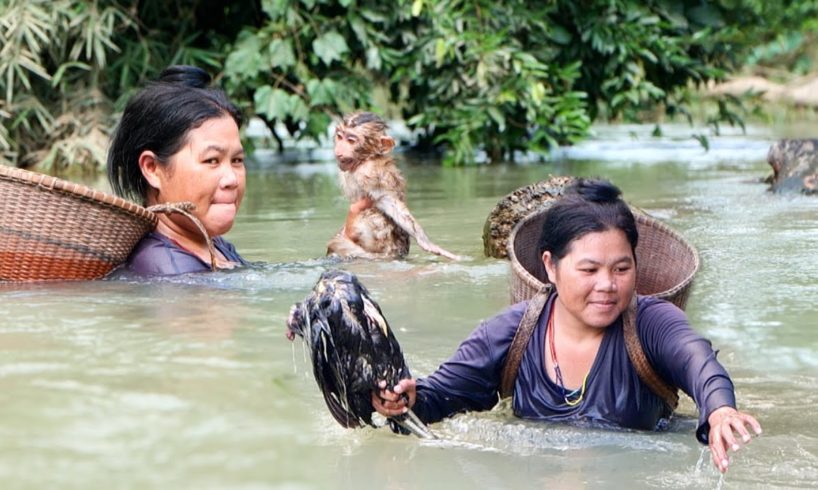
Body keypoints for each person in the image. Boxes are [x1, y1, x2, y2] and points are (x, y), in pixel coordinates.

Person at [373, 178, 762, 473]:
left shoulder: (652, 323)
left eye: (622, 268)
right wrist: (406, 399)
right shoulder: (512, 332)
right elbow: (443, 394)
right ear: (550, 266)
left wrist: (720, 411)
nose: (607, 285)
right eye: (589, 270)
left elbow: (701, 365)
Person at [107, 65, 248, 276]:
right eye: (212, 160)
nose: (231, 179)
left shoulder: (215, 247)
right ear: (152, 169)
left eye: (236, 160)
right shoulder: (168, 270)